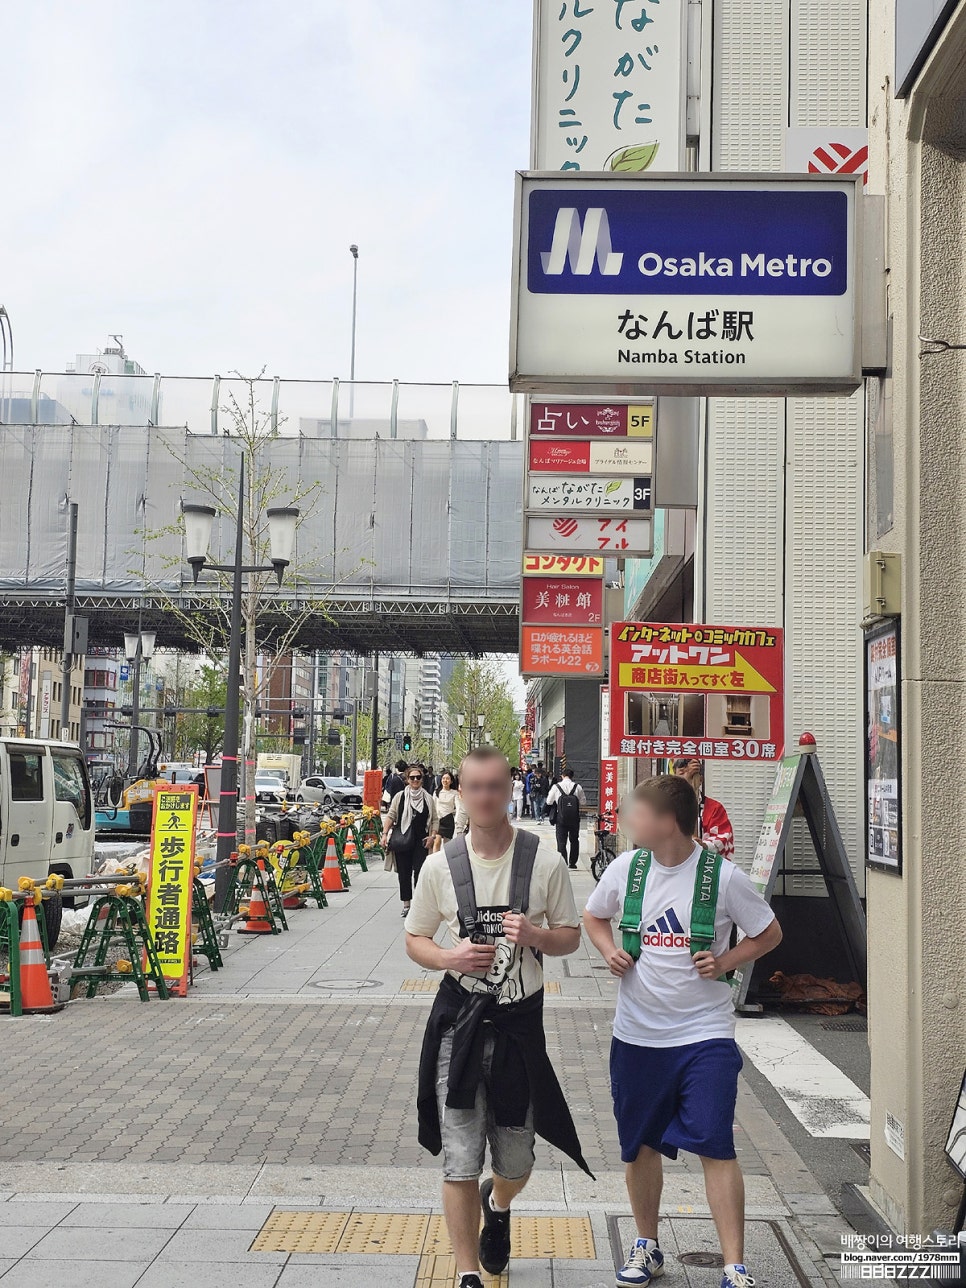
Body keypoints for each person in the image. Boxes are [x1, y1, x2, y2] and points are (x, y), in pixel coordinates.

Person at [583, 776, 782, 1288]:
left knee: (716, 1143)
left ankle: (734, 1266)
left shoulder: (723, 876)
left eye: (638, 811)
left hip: (705, 1035)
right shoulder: (628, 868)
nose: (629, 818)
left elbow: (769, 932)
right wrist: (609, 951)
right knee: (640, 1145)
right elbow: (593, 915)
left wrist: (726, 961)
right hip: (637, 1035)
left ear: (667, 821)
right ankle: (646, 1245)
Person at [405, 746, 592, 1288]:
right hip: (457, 1028)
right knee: (459, 1159)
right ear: (460, 792)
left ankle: (501, 1202)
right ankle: (466, 1272)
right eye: (475, 787)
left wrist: (536, 936)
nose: (485, 796)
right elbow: (415, 938)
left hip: (518, 1027)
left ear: (510, 788)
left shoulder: (545, 860)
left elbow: (572, 936)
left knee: (515, 1160)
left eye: (495, 786)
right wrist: (448, 957)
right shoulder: (441, 865)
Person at [382, 766, 439, 916]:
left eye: (418, 777)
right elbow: (391, 815)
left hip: (421, 840)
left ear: (422, 779)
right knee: (404, 873)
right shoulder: (400, 797)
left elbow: (434, 819)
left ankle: (419, 905)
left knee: (420, 872)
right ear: (407, 779)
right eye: (412, 777)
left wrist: (432, 836)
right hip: (402, 840)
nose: (415, 780)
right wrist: (384, 834)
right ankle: (406, 904)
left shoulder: (428, 798)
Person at [673, 757, 736, 860]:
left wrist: (703, 846)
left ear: (701, 779)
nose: (686, 778)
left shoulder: (714, 808)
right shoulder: (665, 806)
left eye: (692, 776)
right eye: (681, 774)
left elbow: (723, 838)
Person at [547, 768, 586, 869]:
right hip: (574, 818)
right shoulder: (578, 787)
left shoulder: (556, 787)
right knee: (574, 840)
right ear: (572, 776)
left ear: (562, 776)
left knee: (561, 841)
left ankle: (563, 862)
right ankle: (573, 863)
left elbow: (549, 801)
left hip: (561, 818)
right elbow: (583, 802)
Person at [433, 768, 460, 852]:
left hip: (448, 820)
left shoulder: (455, 793)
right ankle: (434, 861)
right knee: (437, 841)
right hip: (438, 819)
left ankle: (445, 861)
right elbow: (433, 806)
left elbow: (458, 807)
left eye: (447, 779)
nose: (445, 780)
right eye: (443, 778)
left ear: (451, 781)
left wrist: (457, 820)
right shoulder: (437, 792)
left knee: (447, 845)